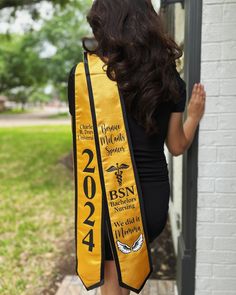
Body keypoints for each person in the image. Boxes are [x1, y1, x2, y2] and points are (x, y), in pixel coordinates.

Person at [67, 0, 206, 294]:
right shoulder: (166, 76)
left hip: (104, 198)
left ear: (104, 24)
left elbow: (85, 144)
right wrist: (193, 117)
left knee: (112, 279)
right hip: (150, 204)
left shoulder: (82, 78)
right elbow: (177, 145)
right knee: (120, 276)